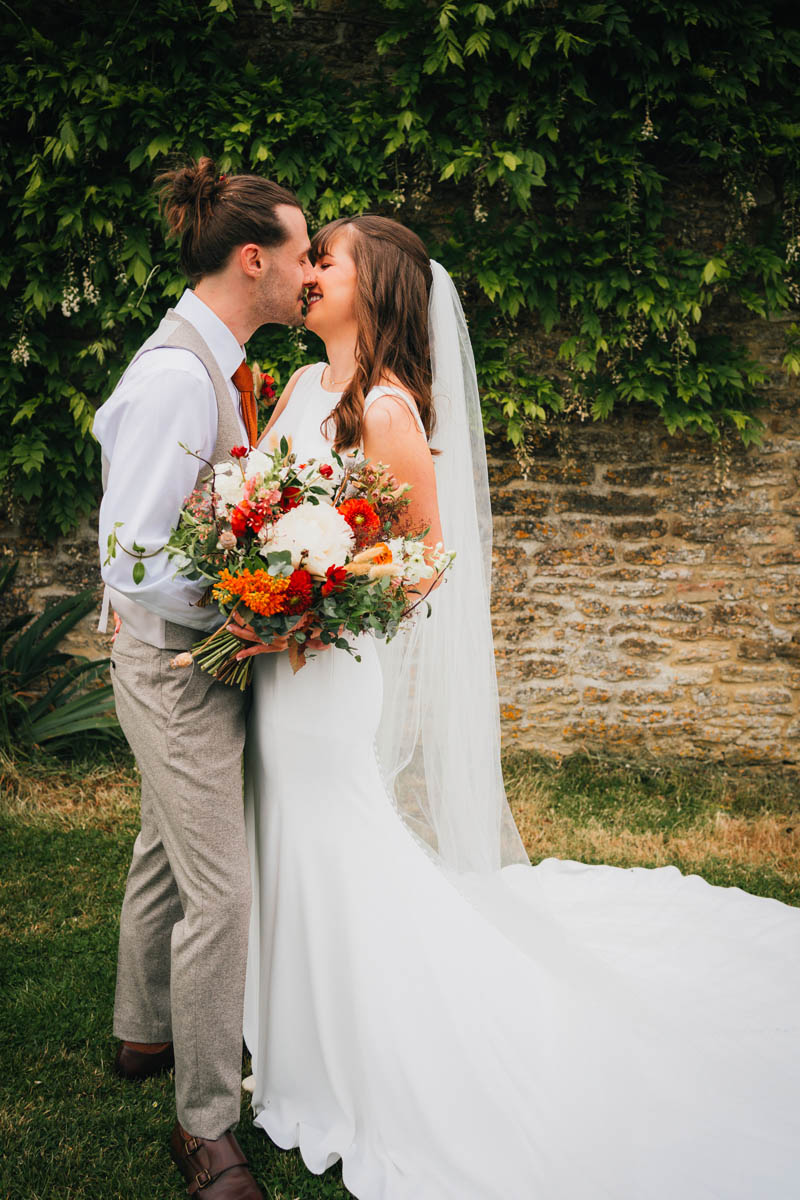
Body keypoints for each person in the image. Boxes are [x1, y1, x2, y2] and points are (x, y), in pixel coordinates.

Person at [241, 215, 800, 1199]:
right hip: (267, 661)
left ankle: (374, 1048)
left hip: (325, 667)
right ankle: (291, 1037)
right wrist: (249, 577)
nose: (310, 269)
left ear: (375, 285)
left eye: (328, 256)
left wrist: (316, 609)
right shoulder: (293, 390)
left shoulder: (384, 412)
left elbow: (421, 558)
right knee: (279, 834)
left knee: (335, 839)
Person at [93, 157, 314, 1200]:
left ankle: (141, 1037)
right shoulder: (181, 375)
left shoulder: (214, 361)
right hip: (177, 666)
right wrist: (250, 602)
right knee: (221, 892)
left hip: (182, 652)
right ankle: (206, 1127)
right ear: (255, 258)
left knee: (163, 849)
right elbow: (129, 555)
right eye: (303, 249)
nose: (312, 267)